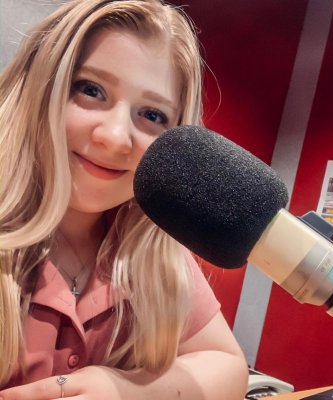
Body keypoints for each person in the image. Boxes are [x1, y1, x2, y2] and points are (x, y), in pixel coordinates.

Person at [0, 1, 248, 398]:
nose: (115, 138)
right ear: (38, 89)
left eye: (151, 115)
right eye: (90, 90)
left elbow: (229, 367)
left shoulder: (156, 250)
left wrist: (126, 389)